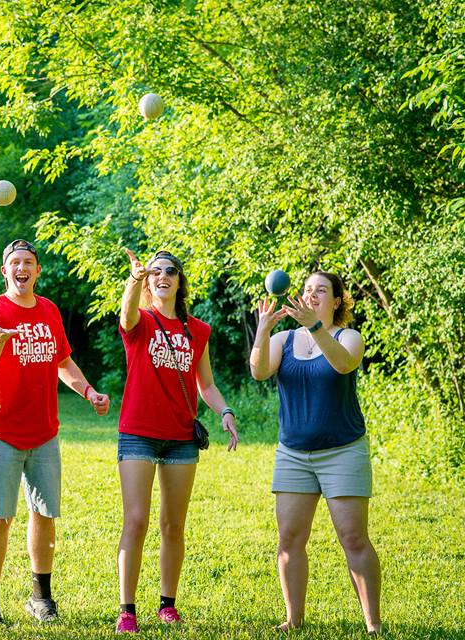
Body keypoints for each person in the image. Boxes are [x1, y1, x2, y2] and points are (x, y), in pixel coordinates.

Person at [0, 239, 109, 626]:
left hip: (44, 431)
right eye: (14, 262)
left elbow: (62, 361)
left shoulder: (49, 310)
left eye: (28, 262)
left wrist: (88, 391)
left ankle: (40, 596)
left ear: (37, 270)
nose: (21, 268)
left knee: (44, 513)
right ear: (5, 271)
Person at [114, 249, 239, 633]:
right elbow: (126, 314)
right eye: (155, 272)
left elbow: (207, 384)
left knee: (173, 525)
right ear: (149, 281)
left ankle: (167, 604)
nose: (162, 276)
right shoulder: (142, 322)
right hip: (137, 433)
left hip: (181, 438)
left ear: (179, 281)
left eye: (170, 271)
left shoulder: (197, 330)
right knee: (136, 521)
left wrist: (225, 412)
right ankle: (127, 609)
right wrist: (133, 280)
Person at [250, 271, 382, 634]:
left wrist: (316, 329)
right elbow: (259, 371)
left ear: (336, 301)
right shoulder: (284, 339)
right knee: (290, 538)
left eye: (321, 291)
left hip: (343, 452)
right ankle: (293, 620)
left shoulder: (347, 337)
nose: (312, 295)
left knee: (353, 537)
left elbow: (342, 363)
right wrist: (263, 328)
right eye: (307, 290)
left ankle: (373, 624)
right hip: (293, 454)